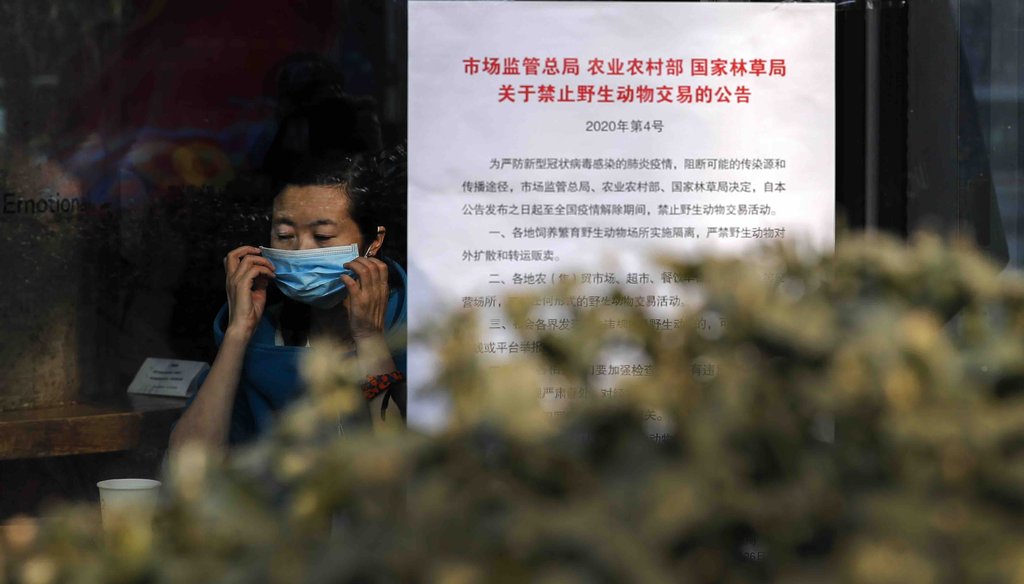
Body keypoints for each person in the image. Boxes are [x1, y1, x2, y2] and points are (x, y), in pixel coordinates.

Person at [169, 151, 407, 453]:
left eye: (322, 236)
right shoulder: (266, 332)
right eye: (284, 234)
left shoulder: (414, 326)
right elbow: (188, 462)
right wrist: (238, 333)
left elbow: (401, 468)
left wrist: (370, 340)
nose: (300, 250)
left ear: (374, 241)